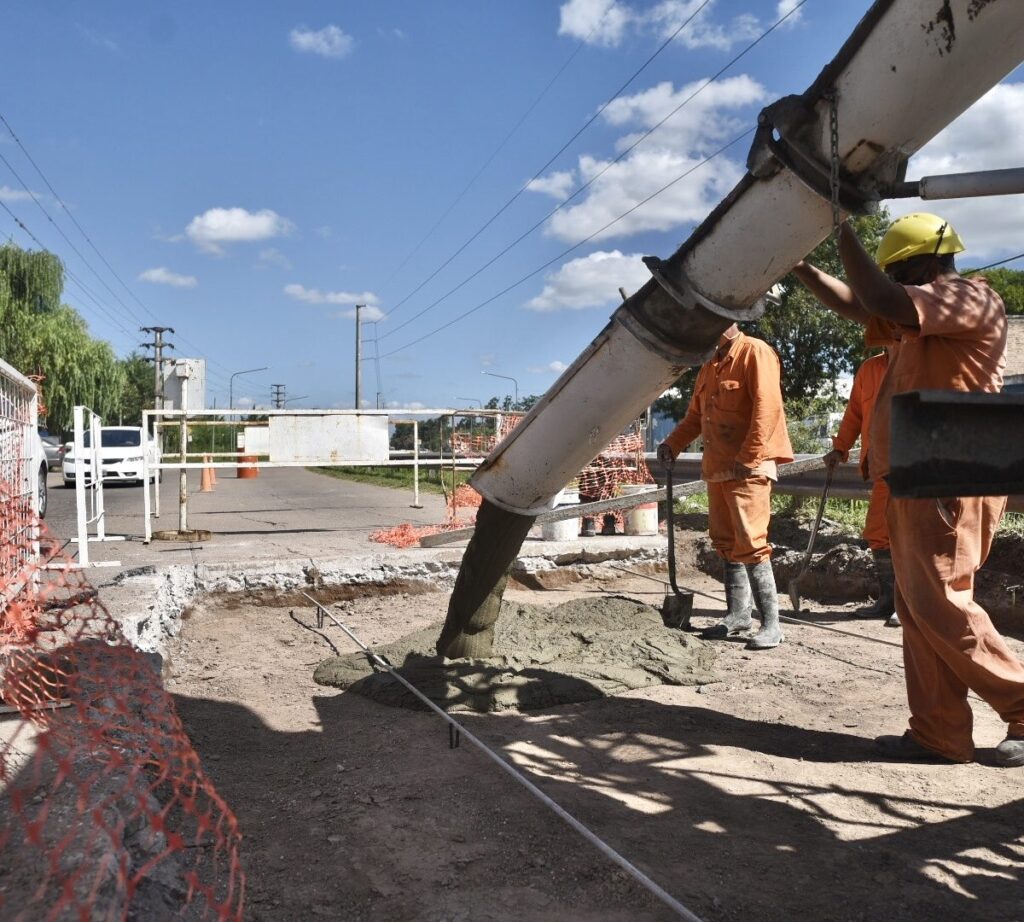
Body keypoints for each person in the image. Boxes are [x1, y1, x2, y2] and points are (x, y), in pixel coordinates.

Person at [792, 212, 1024, 766]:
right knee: (918, 609)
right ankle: (939, 733)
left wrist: (841, 226)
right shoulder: (916, 317)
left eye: (899, 273)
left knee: (941, 602)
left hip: (952, 469)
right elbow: (860, 302)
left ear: (922, 264)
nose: (896, 285)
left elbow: (882, 297)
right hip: (916, 474)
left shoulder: (968, 299)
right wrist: (800, 264)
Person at [657, 323, 793, 650]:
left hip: (749, 467)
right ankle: (738, 616)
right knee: (726, 542)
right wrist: (672, 444)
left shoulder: (755, 352)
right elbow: (694, 417)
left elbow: (767, 407)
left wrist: (749, 456)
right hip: (719, 469)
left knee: (751, 542)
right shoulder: (709, 366)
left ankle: (772, 625)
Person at [823, 344, 899, 624]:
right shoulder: (869, 368)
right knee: (878, 533)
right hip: (881, 466)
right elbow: (854, 413)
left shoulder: (920, 363)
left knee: (907, 538)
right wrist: (840, 448)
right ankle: (889, 599)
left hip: (913, 468)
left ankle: (906, 606)